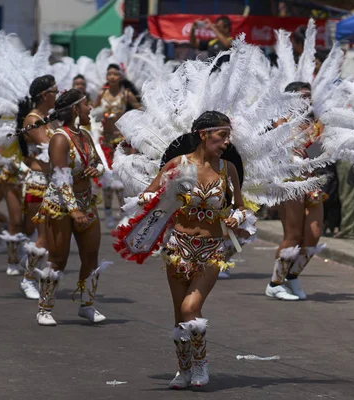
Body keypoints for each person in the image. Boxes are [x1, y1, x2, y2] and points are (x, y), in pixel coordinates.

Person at [116, 111, 245, 389]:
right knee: (180, 313)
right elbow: (147, 194)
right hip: (178, 247)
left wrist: (238, 217)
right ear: (204, 135)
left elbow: (241, 206)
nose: (225, 143)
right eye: (222, 136)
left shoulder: (228, 169)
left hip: (211, 249)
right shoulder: (177, 165)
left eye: (227, 137)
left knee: (191, 307)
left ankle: (200, 365)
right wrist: (153, 197)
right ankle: (183, 370)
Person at [30, 89, 107, 326]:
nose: (90, 108)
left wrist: (98, 170)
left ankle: (87, 305)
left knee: (91, 255)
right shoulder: (59, 138)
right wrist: (74, 211)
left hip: (86, 201)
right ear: (75, 109)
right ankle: (44, 308)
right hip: (61, 206)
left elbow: (98, 162)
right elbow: (61, 177)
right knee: (58, 258)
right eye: (86, 105)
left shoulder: (84, 134)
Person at [266, 82, 325, 301]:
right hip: (289, 181)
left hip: (311, 182)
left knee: (313, 235)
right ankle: (275, 283)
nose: (307, 101)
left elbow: (323, 147)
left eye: (309, 97)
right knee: (293, 235)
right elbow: (279, 146)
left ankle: (291, 276)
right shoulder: (281, 120)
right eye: (302, 96)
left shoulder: (316, 121)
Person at [13, 75, 59, 299]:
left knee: (49, 237)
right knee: (44, 237)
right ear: (44, 95)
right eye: (55, 92)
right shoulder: (33, 120)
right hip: (39, 184)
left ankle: (31, 268)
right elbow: (51, 148)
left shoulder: (47, 118)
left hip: (52, 182)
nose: (57, 96)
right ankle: (28, 279)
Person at [94, 63, 141, 228]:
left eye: (115, 74)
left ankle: (123, 212)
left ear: (120, 77)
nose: (112, 77)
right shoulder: (102, 94)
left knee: (122, 179)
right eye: (109, 74)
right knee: (107, 177)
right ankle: (107, 212)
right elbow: (93, 113)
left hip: (121, 141)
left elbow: (140, 110)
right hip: (105, 140)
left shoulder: (126, 94)